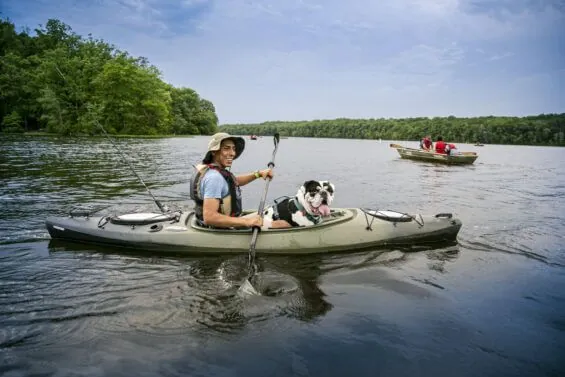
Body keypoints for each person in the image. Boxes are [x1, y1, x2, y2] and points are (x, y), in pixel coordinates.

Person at [189, 132, 273, 229]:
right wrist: (246, 221)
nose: (232, 153)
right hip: (219, 229)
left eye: (233, 149)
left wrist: (258, 174)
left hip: (218, 223)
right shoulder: (214, 178)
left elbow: (232, 182)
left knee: (270, 212)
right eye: (226, 148)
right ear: (214, 152)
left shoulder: (213, 172)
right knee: (279, 222)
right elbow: (210, 217)